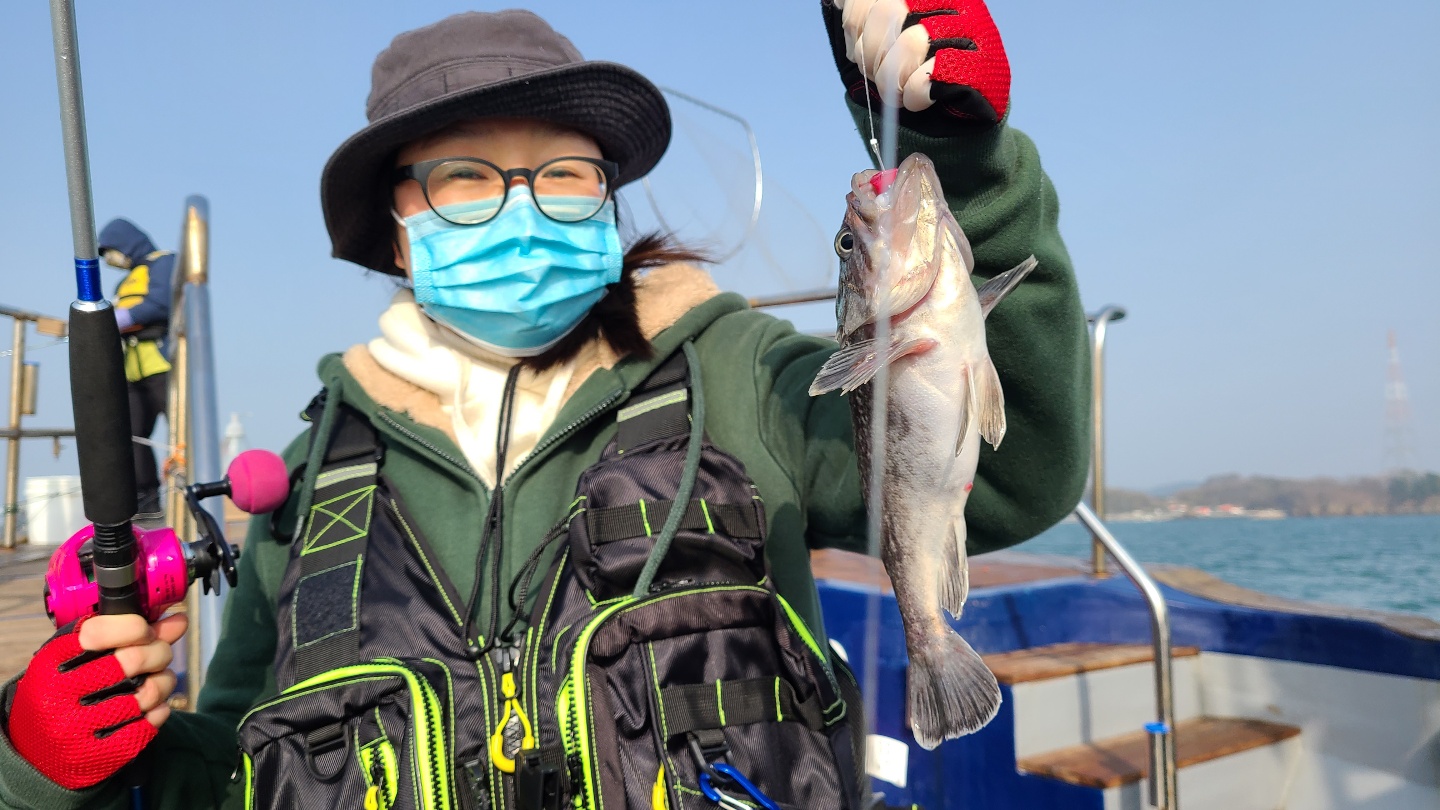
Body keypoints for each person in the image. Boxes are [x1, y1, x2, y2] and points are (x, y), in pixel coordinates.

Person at [0, 3, 1090, 808]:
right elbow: (243, 767)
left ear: (607, 201)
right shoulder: (304, 481)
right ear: (397, 230)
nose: (522, 206)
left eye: (565, 173)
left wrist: (961, 157)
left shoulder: (739, 373)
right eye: (466, 178)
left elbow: (1014, 475)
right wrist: (51, 766)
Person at [96, 218, 175, 518]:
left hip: (162, 362)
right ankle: (147, 500)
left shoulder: (164, 262)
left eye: (110, 251)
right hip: (131, 368)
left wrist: (122, 319)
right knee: (132, 435)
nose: (110, 259)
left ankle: (191, 492)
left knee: (181, 431)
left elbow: (162, 302)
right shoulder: (123, 283)